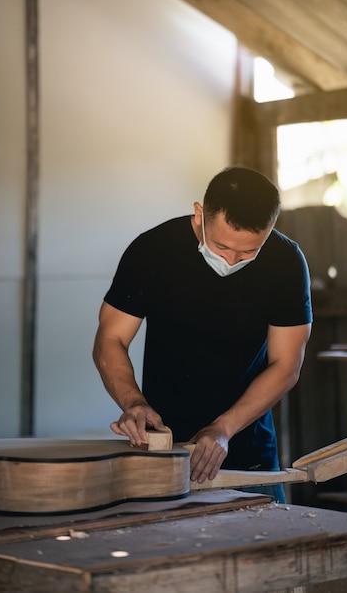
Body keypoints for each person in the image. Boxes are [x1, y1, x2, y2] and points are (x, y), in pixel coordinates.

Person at [93, 166, 312, 502]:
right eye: (222, 245)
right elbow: (111, 339)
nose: (232, 259)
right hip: (162, 445)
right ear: (200, 214)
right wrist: (132, 402)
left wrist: (223, 430)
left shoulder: (285, 261)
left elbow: (286, 365)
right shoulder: (153, 249)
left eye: (248, 252)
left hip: (247, 447)